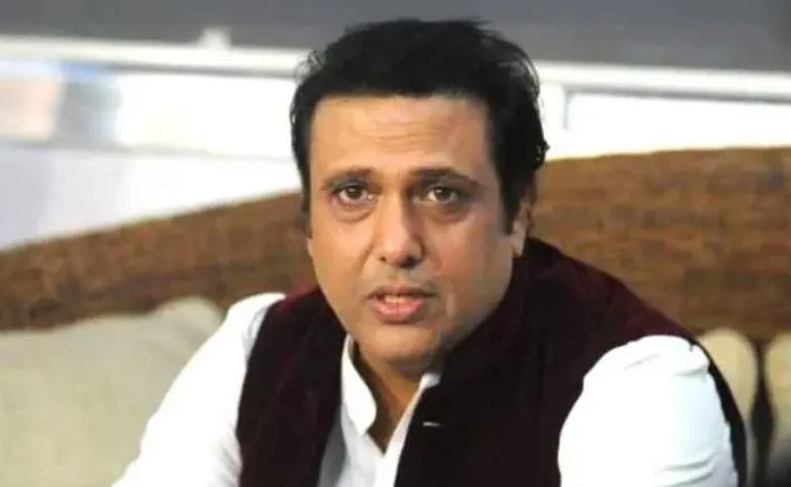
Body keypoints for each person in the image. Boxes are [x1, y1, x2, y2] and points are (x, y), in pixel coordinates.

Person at [113, 19, 746, 487]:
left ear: (518, 212)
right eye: (353, 193)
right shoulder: (255, 349)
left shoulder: (637, 382)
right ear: (308, 222)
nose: (397, 245)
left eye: (442, 194)